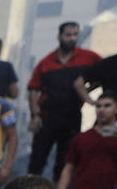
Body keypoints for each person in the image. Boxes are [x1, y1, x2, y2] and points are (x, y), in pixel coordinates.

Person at [27, 22, 101, 179]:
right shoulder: (46, 62)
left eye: (75, 35)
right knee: (37, 159)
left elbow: (105, 71)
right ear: (59, 36)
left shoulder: (88, 57)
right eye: (68, 35)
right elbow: (33, 89)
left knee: (66, 161)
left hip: (72, 116)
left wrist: (85, 92)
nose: (72, 38)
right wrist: (35, 115)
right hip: (47, 117)